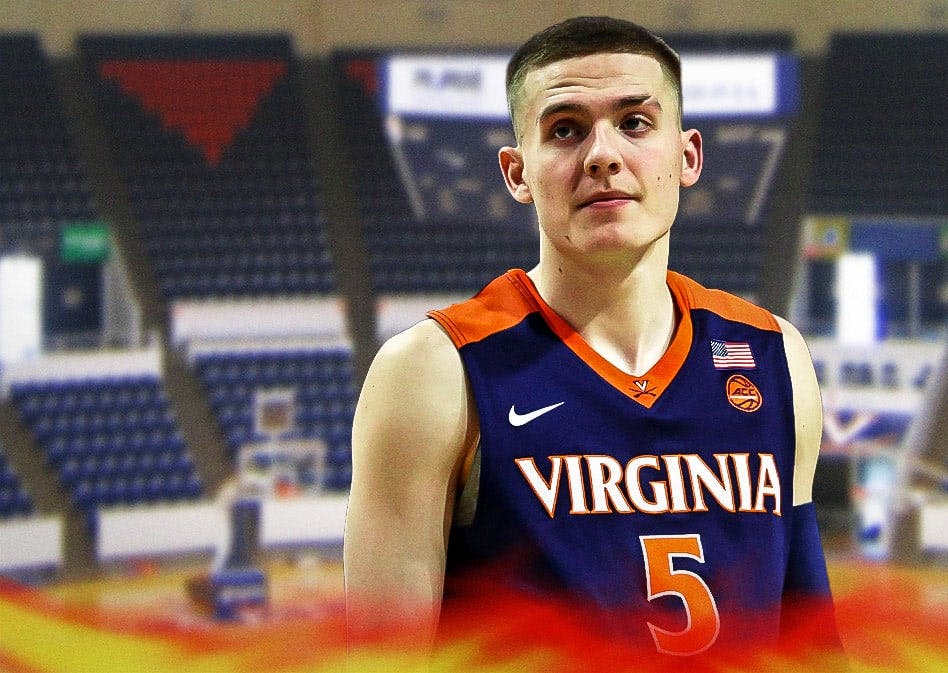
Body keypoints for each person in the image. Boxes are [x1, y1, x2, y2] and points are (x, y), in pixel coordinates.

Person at [344, 15, 839, 663]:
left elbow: (813, 644)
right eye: (565, 129)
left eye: (635, 122)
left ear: (688, 156)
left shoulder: (775, 357)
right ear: (517, 172)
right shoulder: (437, 370)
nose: (603, 154)